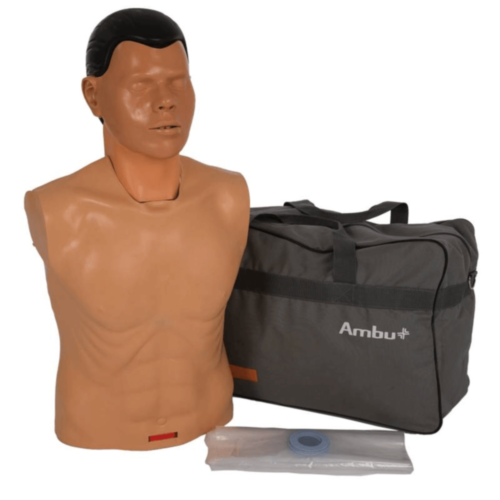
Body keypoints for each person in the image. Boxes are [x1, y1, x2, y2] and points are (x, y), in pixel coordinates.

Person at [24, 8, 250, 450]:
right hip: (95, 436)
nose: (166, 101)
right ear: (93, 96)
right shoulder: (56, 209)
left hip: (211, 422)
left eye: (178, 82)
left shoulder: (228, 196)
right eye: (141, 85)